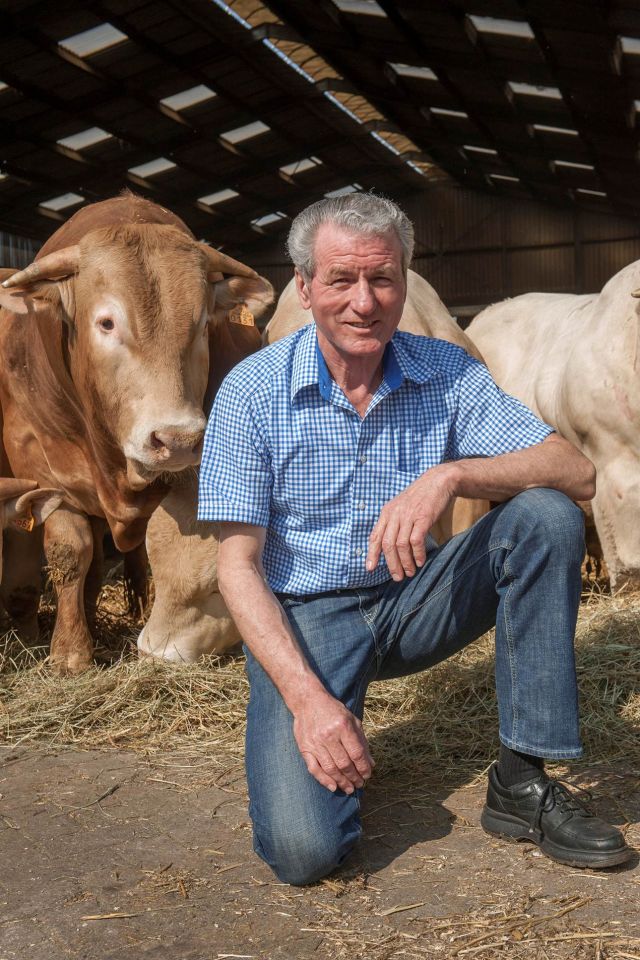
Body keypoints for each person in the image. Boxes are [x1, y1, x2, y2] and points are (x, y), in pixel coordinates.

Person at [198, 193, 631, 885]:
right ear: (305, 289)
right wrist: (310, 704)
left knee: (544, 516)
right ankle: (329, 713)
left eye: (383, 279)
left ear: (404, 281)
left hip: (414, 597)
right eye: (341, 280)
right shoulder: (252, 392)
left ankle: (521, 783)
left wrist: (451, 475)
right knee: (305, 855)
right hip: (305, 618)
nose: (365, 302)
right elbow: (237, 567)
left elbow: (576, 474)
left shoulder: (447, 371)